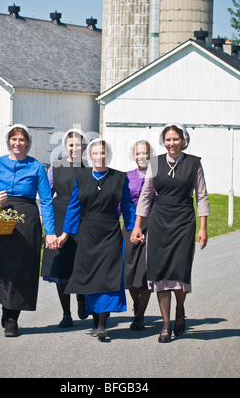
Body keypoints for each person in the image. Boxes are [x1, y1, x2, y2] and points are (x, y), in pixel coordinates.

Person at [131, 124, 209, 343]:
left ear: (183, 140)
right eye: (168, 140)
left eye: (175, 139)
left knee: (179, 271)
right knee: (159, 271)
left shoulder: (194, 163)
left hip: (184, 220)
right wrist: (138, 225)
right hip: (159, 221)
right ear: (163, 141)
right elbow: (146, 196)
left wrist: (203, 228)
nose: (171, 143)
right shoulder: (154, 164)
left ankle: (180, 309)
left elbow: (201, 196)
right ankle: (165, 325)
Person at [56, 138, 136, 340]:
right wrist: (66, 233)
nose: (99, 157)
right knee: (91, 277)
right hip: (87, 234)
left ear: (107, 155)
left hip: (110, 233)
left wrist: (134, 228)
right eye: (95, 153)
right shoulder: (81, 177)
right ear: (89, 156)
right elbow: (74, 207)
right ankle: (94, 321)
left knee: (107, 278)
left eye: (103, 153)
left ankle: (102, 325)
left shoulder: (119, 177)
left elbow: (127, 205)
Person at [0, 124, 57, 337]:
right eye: (14, 139)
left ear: (28, 143)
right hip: (1, 217)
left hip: (27, 220)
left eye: (22, 140)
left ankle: (12, 318)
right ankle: (5, 305)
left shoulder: (36, 167)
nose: (17, 143)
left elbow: (45, 200)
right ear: (8, 141)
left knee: (20, 269)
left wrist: (49, 231)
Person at [41, 128, 88, 327]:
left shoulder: (90, 167)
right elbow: (46, 194)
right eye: (71, 144)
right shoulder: (55, 167)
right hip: (60, 215)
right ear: (66, 146)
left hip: (83, 217)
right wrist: (46, 224)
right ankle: (66, 314)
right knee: (61, 266)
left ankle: (82, 298)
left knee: (82, 263)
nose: (75, 148)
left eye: (78, 144)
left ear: (84, 147)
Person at [123, 140, 156, 331]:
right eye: (138, 153)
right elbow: (119, 203)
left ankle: (139, 315)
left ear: (151, 155)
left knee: (144, 272)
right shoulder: (126, 177)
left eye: (145, 153)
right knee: (128, 273)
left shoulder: (159, 176)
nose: (141, 156)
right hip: (129, 226)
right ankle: (137, 305)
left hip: (152, 226)